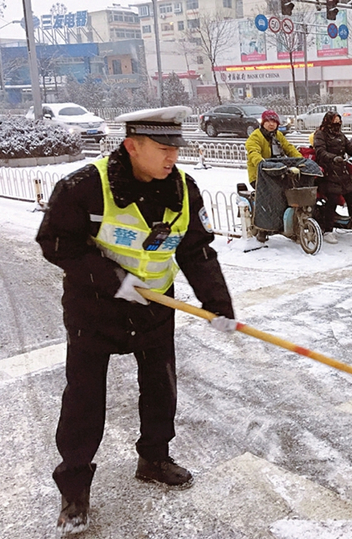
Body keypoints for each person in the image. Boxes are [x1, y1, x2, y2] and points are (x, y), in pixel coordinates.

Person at [36, 106, 238, 535]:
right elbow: (54, 242)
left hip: (154, 305)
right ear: (132, 145)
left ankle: (154, 456)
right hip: (95, 307)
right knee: (85, 398)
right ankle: (74, 487)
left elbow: (196, 250)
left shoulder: (184, 189)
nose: (172, 158)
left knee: (160, 383)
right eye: (163, 149)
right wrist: (111, 278)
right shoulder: (84, 187)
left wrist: (218, 304)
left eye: (176, 149)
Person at [313, 110, 352, 244]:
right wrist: (333, 158)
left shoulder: (340, 135)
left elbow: (350, 149)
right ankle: (328, 231)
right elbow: (320, 151)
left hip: (342, 171)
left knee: (351, 196)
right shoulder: (320, 134)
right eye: (334, 121)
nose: (337, 124)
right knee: (332, 200)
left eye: (338, 121)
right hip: (328, 172)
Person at [245, 109, 301, 188]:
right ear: (263, 123)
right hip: (260, 175)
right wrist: (261, 163)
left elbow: (289, 148)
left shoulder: (278, 135)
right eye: (268, 121)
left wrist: (300, 159)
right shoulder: (256, 136)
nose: (271, 124)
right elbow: (253, 152)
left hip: (278, 171)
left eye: (274, 122)